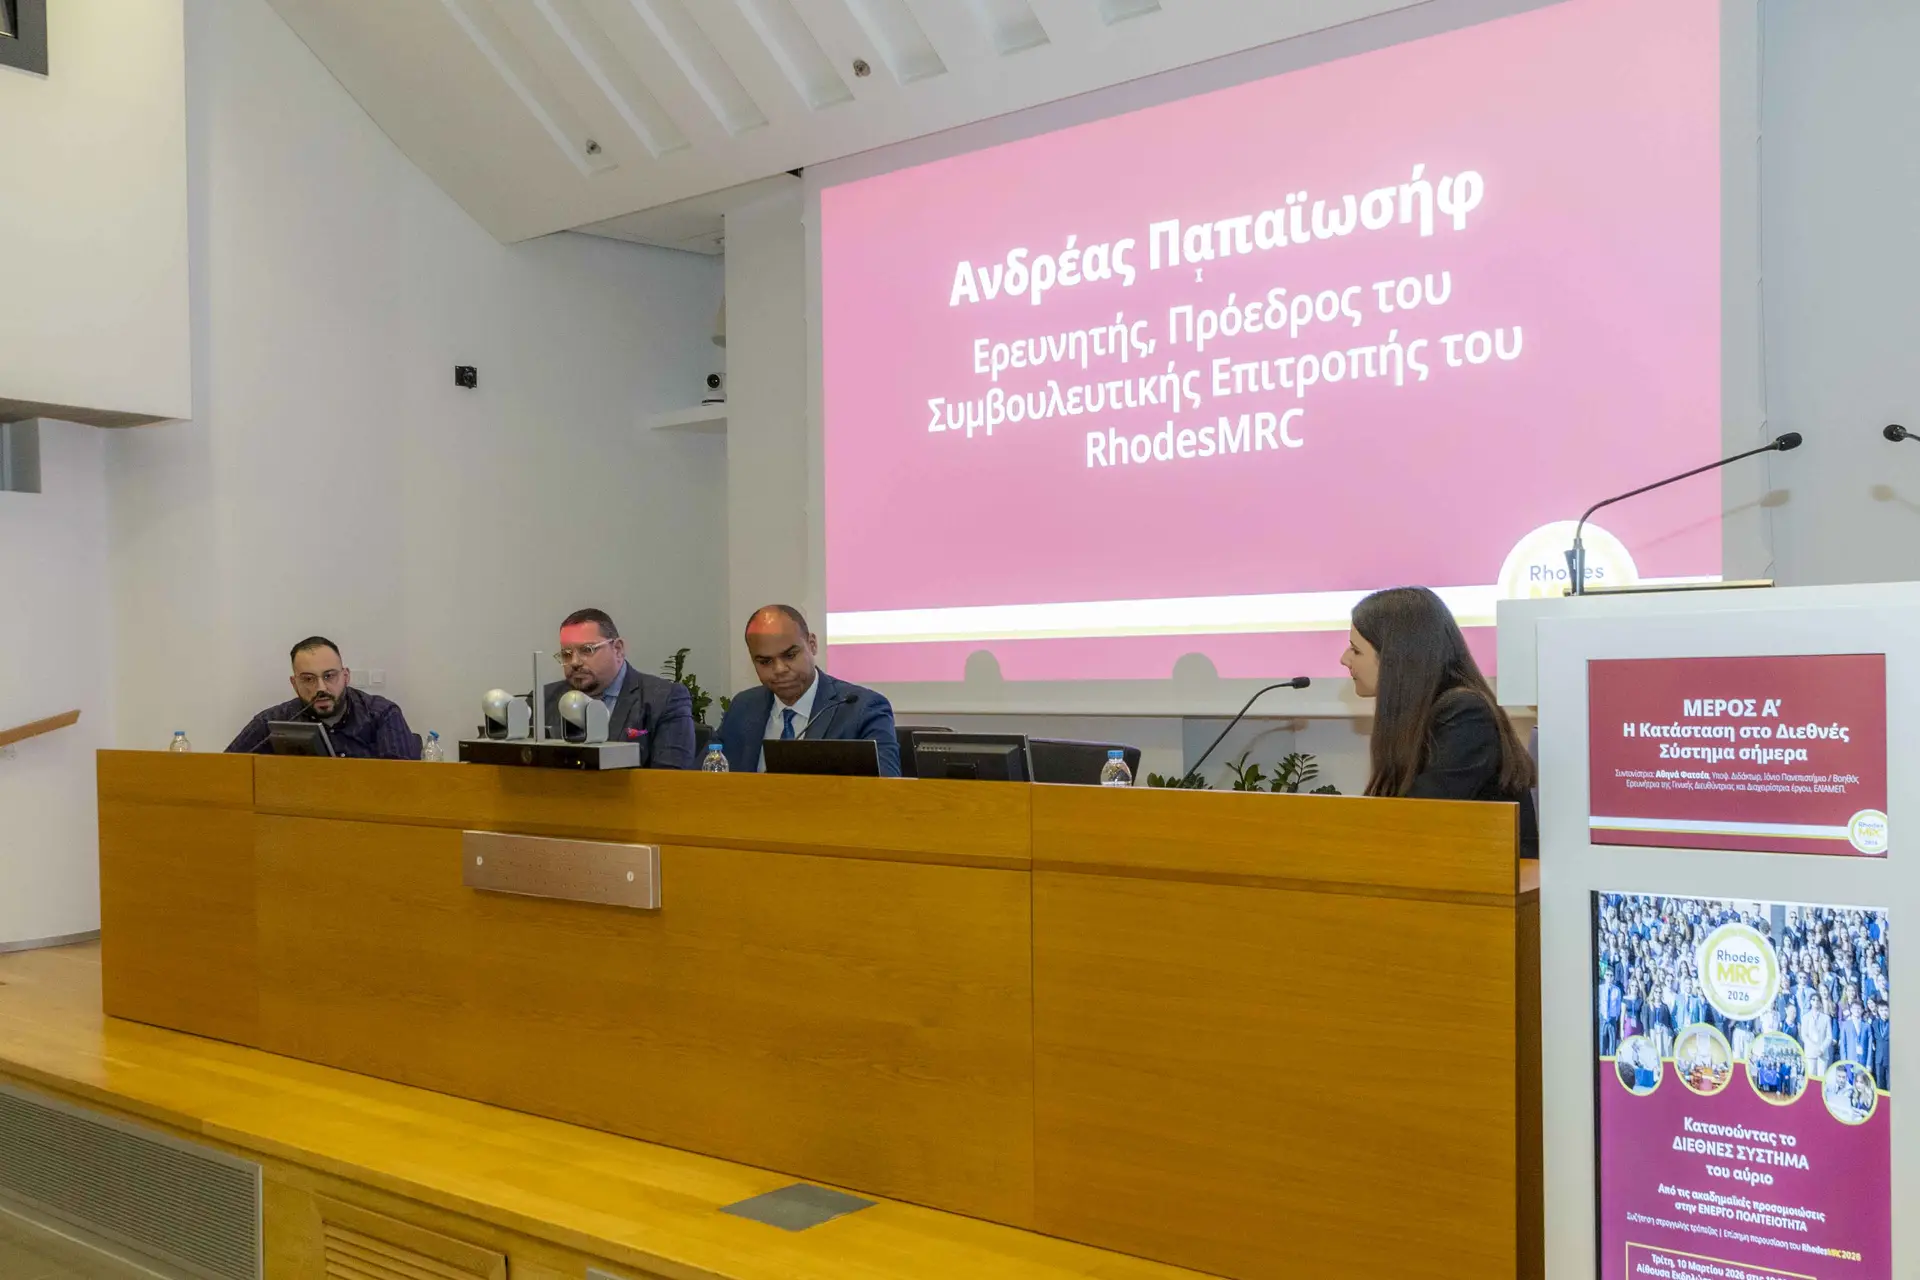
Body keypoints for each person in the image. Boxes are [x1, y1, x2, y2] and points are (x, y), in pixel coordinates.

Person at [1340, 586, 1538, 856]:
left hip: (1489, 876)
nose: (1344, 659)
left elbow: (1420, 819)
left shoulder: (1466, 714)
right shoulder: (1421, 715)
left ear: (1396, 658)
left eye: (1355, 650)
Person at [715, 604, 900, 776]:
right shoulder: (743, 707)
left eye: (790, 655)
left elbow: (887, 788)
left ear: (812, 644)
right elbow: (704, 776)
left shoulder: (861, 709)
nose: (779, 669)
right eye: (765, 662)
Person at [540, 608, 694, 769]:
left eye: (587, 650)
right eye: (566, 654)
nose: (575, 662)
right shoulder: (545, 699)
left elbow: (670, 777)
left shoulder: (664, 699)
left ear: (618, 649)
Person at [226, 636, 420, 759]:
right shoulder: (273, 721)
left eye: (329, 676)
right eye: (308, 679)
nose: (321, 688)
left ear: (345, 676)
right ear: (294, 684)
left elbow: (404, 782)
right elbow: (226, 769)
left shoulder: (382, 714)